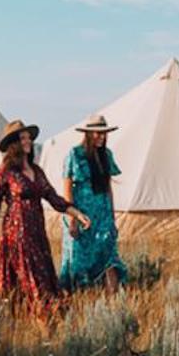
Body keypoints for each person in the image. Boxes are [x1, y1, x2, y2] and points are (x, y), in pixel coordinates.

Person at [0, 119, 87, 322]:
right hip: (17, 236)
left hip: (37, 236)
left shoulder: (37, 171)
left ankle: (34, 325)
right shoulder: (5, 172)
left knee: (33, 282)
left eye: (29, 138)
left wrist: (77, 214)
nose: (28, 141)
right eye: (22, 138)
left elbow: (54, 198)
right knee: (32, 284)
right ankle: (43, 325)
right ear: (13, 144)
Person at [60, 116, 127, 293]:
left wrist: (112, 217)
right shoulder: (74, 154)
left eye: (104, 134)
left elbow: (108, 187)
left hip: (102, 213)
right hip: (81, 214)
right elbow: (67, 188)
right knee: (79, 258)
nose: (101, 137)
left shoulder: (107, 155)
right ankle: (78, 297)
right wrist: (72, 218)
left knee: (109, 254)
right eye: (98, 133)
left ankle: (113, 300)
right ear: (88, 134)